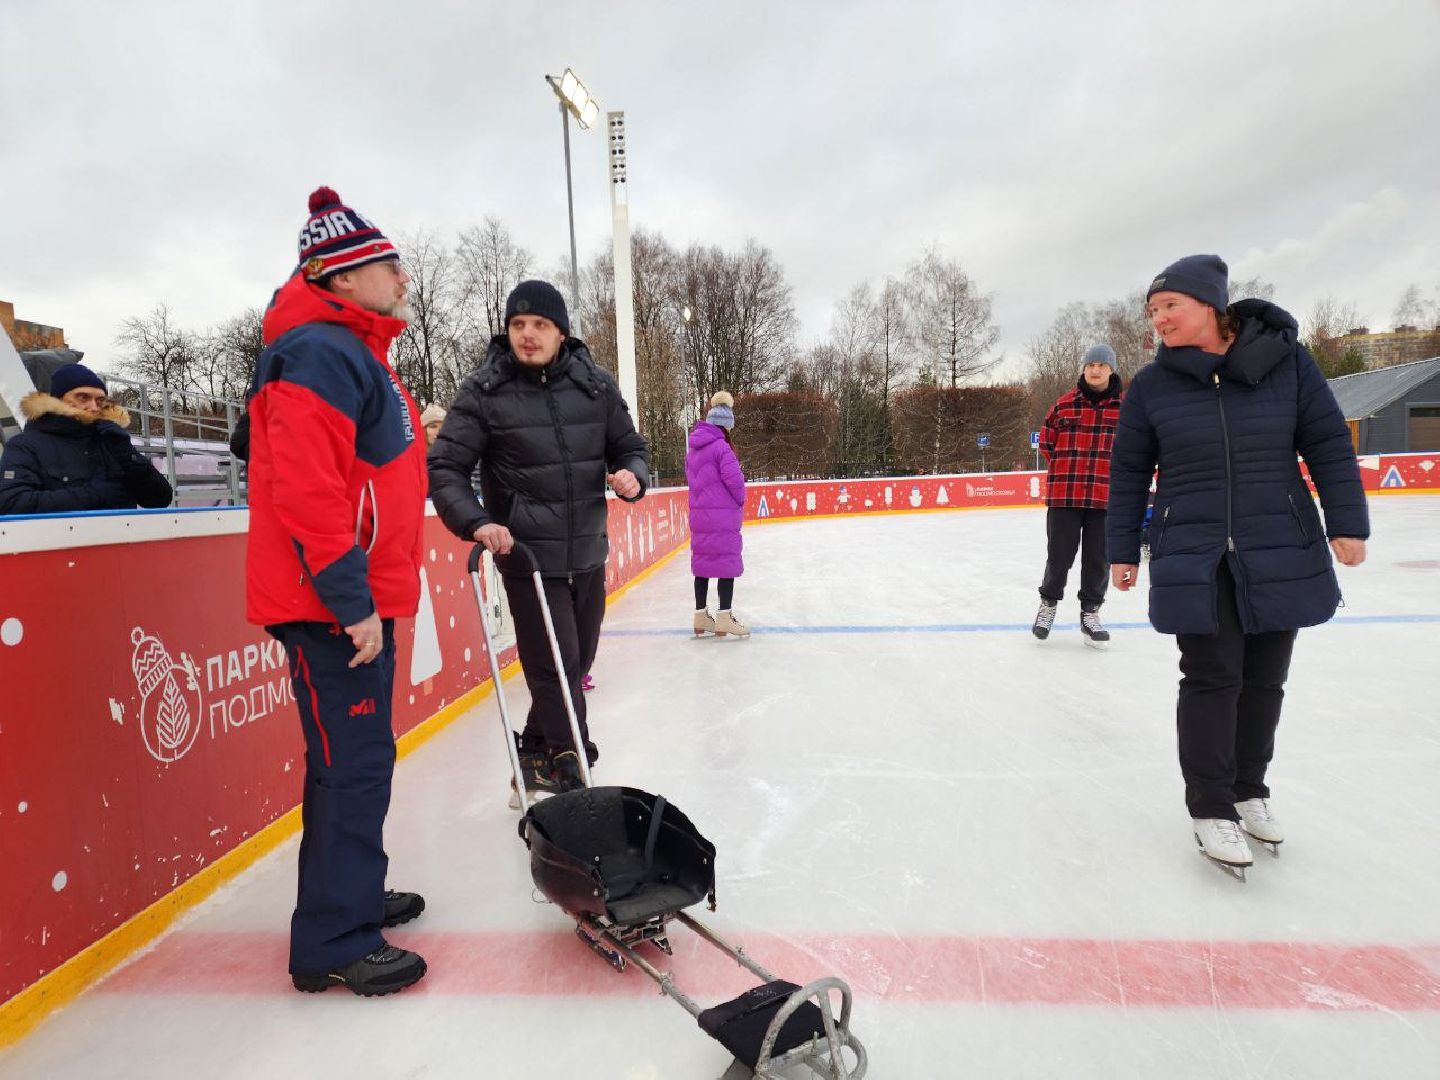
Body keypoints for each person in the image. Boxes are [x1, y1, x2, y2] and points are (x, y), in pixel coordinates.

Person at [1107, 254, 1369, 877]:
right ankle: (1210, 804)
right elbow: (1128, 473)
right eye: (1153, 311)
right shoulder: (1151, 385)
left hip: (1278, 540)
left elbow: (1328, 442)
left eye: (1170, 306)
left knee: (1265, 679)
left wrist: (1348, 522)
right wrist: (1121, 549)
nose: (1159, 320)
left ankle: (1250, 789)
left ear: (1210, 305)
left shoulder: (1286, 365)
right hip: (1192, 550)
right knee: (1211, 676)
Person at [244, 187, 429, 995]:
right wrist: (352, 603)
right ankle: (335, 938)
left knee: (352, 763)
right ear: (348, 276)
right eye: (392, 266)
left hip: (353, 598)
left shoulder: (354, 352)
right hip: (331, 607)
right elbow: (311, 494)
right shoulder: (320, 351)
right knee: (352, 765)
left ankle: (346, 898)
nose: (405, 280)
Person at [427, 279, 648, 801]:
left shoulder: (595, 386)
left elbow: (630, 447)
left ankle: (532, 759)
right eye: (518, 325)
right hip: (526, 557)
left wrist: (632, 476)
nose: (528, 335)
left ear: (561, 331)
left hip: (588, 553)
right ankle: (576, 778)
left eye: (540, 325)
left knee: (575, 665)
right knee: (556, 670)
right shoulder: (484, 392)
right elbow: (445, 468)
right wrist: (478, 522)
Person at [1032, 345, 1123, 646]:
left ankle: (1090, 612)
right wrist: (1066, 466)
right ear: (1083, 369)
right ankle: (1048, 605)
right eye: (1090, 364)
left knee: (1099, 559)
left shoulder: (1126, 408)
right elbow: (1046, 443)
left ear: (1111, 369)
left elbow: (1136, 449)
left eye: (1101, 365)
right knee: (1059, 556)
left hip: (1105, 497)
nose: (1095, 370)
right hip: (1065, 495)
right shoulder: (1063, 405)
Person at [0, 363, 172, 515]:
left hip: (121, 546)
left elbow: (160, 499)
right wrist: (93, 495)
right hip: (60, 548)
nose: (93, 407)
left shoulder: (111, 442)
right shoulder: (25, 445)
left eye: (100, 400)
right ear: (57, 400)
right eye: (83, 397)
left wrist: (129, 455)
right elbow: (11, 503)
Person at [686, 391, 749, 638]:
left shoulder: (693, 450)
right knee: (725, 564)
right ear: (726, 426)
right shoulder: (722, 449)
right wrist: (739, 501)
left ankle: (700, 616)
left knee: (702, 564)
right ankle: (724, 617)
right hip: (722, 517)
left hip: (700, 517)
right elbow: (736, 483)